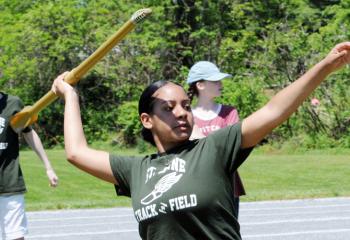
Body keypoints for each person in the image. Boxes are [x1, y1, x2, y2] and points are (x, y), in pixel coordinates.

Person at [51, 42, 350, 240]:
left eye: (185, 105)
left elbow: (273, 111)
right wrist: (70, 96)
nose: (181, 113)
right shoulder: (135, 170)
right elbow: (76, 152)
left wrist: (323, 66)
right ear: (146, 120)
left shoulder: (214, 150)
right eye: (168, 109)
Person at [186, 61, 245, 218]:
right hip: (196, 187)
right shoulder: (187, 116)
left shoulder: (229, 112)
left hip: (227, 186)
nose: (221, 84)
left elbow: (232, 147)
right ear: (200, 85)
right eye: (215, 80)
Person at [0, 92, 58, 240]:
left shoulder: (13, 103)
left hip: (9, 183)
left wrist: (48, 167)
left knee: (16, 236)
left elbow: (29, 134)